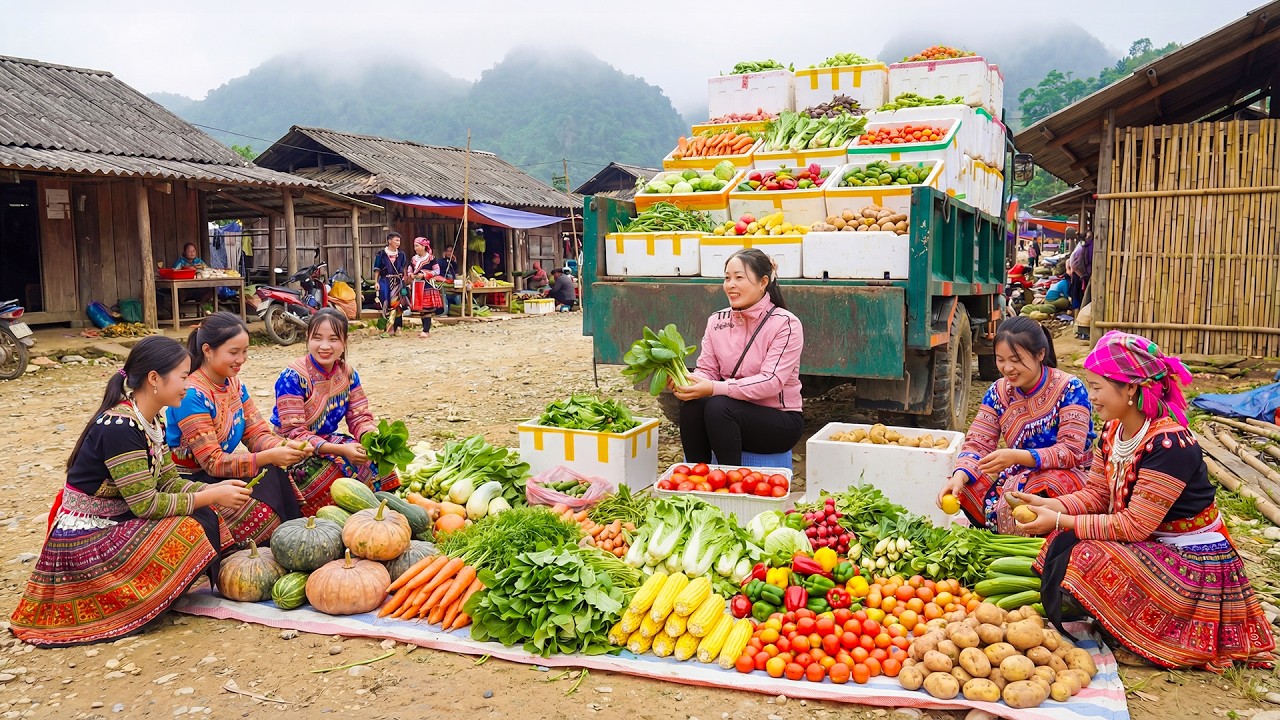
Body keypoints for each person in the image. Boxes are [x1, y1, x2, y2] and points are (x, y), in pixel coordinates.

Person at [1014, 331, 1276, 671]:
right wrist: (1054, 507)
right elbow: (1097, 494)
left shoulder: (1169, 444)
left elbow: (1134, 525)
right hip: (1153, 543)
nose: (1091, 396)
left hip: (1193, 558)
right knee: (1063, 540)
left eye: (1097, 387)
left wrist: (1062, 521)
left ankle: (1147, 639)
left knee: (1087, 553)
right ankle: (1122, 626)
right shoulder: (1113, 431)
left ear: (1131, 388)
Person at [10, 337, 253, 647]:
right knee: (188, 527)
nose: (188, 385)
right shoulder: (119, 428)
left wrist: (213, 490)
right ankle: (137, 600)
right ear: (154, 379)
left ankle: (165, 590)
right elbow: (146, 505)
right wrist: (210, 494)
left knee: (203, 512)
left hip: (118, 518)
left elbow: (169, 483)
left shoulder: (152, 420)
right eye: (183, 376)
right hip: (85, 535)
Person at [938, 316, 1094, 533]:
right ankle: (1004, 534)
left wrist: (1016, 457)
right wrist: (959, 476)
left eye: (1016, 359)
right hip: (1017, 472)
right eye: (1000, 359)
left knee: (1047, 485)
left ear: (1040, 354)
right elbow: (978, 443)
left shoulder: (1070, 389)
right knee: (965, 486)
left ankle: (1044, 543)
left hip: (1067, 473)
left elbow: (1071, 452)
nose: (1007, 368)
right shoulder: (998, 392)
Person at [166, 312, 306, 546]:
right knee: (262, 509)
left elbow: (256, 433)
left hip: (220, 471)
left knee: (274, 474)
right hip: (193, 479)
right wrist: (269, 455)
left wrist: (284, 446)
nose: (241, 359)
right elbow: (212, 462)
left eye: (245, 351)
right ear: (208, 350)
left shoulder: (234, 384)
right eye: (233, 352)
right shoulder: (191, 394)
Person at [674, 249, 803, 466]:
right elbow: (707, 370)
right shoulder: (717, 321)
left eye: (739, 277)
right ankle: (697, 481)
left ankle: (729, 486)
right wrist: (690, 383)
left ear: (763, 282)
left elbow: (771, 381)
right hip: (732, 413)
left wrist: (715, 388)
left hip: (779, 420)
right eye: (727, 277)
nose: (730, 284)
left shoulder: (785, 324)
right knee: (693, 406)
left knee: (718, 406)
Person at [272, 309, 401, 516]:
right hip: (295, 451)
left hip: (328, 441)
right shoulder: (292, 376)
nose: (324, 346)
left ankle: (382, 516)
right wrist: (341, 450)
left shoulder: (348, 373)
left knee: (377, 463)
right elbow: (294, 434)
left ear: (344, 342)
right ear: (307, 338)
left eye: (333, 339)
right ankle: (338, 521)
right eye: (317, 338)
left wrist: (371, 439)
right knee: (331, 478)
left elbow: (359, 416)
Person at [373, 232, 410, 336]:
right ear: (389, 241)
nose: (398, 243)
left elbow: (403, 269)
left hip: (397, 282)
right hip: (384, 281)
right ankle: (387, 328)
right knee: (385, 302)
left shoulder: (401, 255)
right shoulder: (381, 254)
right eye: (396, 240)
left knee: (397, 304)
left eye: (399, 241)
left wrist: (404, 281)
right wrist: (376, 282)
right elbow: (377, 269)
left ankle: (398, 327)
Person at [408, 237, 437, 338]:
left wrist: (424, 274)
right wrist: (410, 274)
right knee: (421, 308)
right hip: (417, 286)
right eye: (414, 246)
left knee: (427, 308)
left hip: (427, 285)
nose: (415, 248)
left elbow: (437, 271)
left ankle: (426, 330)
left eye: (417, 246)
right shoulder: (414, 259)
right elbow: (410, 268)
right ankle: (424, 329)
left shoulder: (431, 258)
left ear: (424, 246)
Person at [430, 245, 459, 317]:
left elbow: (455, 272)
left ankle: (458, 309)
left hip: (452, 284)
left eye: (451, 251)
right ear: (445, 252)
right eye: (448, 251)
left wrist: (454, 261)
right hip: (444, 284)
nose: (449, 253)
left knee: (457, 295)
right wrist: (444, 259)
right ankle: (444, 310)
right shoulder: (440, 261)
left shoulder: (452, 263)